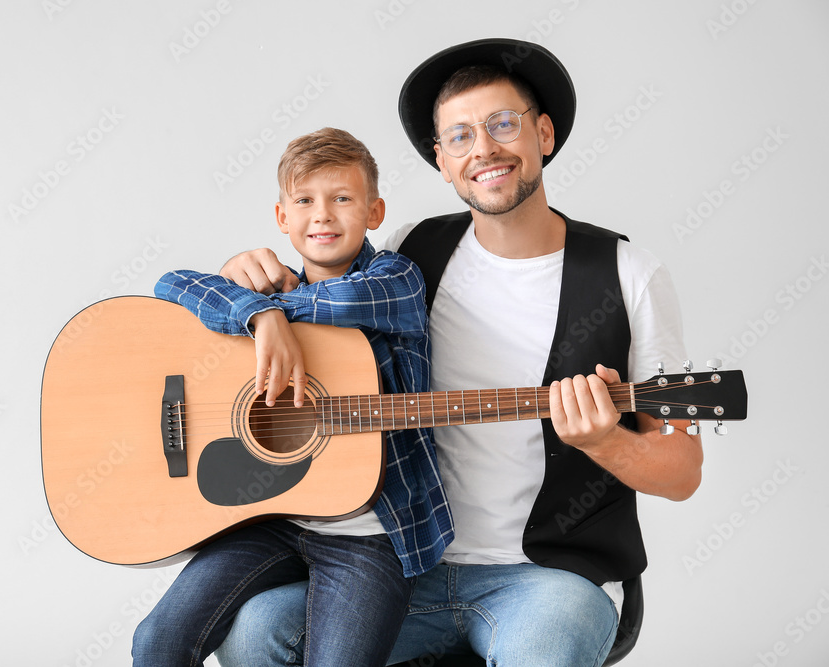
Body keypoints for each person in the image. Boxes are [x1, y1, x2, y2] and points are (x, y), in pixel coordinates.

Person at [211, 39, 704, 667]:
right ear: (442, 161)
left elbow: (683, 469)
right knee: (254, 629)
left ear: (544, 134)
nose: (486, 150)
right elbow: (308, 307)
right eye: (461, 136)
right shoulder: (410, 253)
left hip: (544, 580)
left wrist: (607, 441)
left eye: (504, 124)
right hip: (401, 562)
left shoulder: (628, 272)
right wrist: (243, 286)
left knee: (546, 646)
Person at [130, 127, 454, 667]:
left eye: (342, 199)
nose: (322, 215)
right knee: (158, 640)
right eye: (305, 201)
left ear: (374, 212)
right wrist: (256, 312)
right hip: (274, 518)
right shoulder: (264, 296)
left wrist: (270, 310)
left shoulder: (397, 279)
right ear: (283, 218)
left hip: (372, 536)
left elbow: (349, 300)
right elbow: (171, 285)